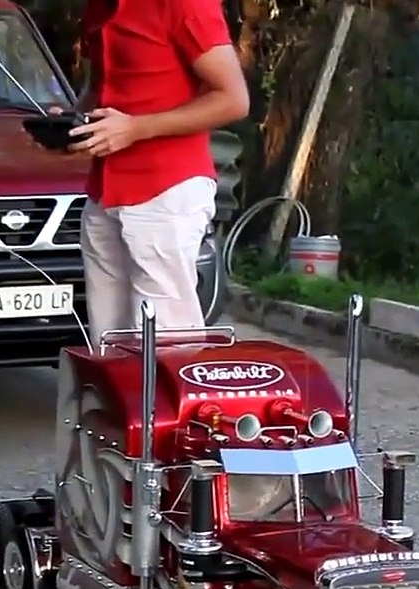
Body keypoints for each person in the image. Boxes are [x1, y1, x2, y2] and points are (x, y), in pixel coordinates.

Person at [60, 0, 249, 340]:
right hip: (104, 192)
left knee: (166, 343)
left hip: (166, 192)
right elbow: (101, 85)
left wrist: (136, 129)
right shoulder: (97, 7)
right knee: (109, 343)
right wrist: (71, 120)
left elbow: (234, 99)